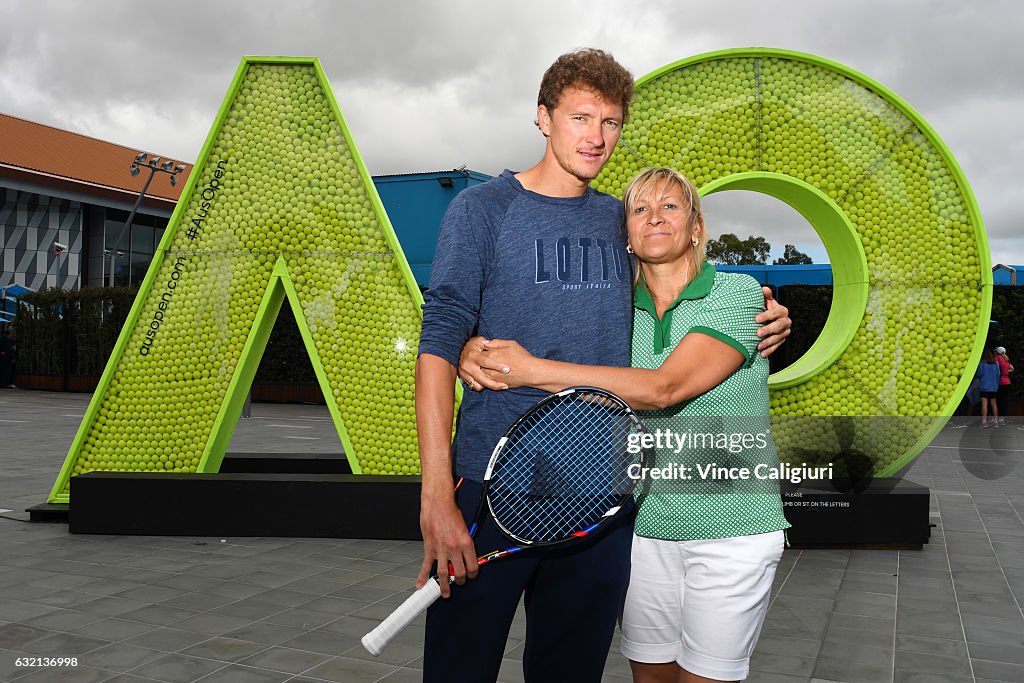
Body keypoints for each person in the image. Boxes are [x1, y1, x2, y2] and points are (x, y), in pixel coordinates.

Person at [415, 49, 791, 683]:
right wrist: (435, 495)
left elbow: (685, 287)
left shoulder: (620, 222)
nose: (595, 137)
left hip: (602, 500)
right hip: (492, 484)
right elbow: (438, 340)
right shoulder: (480, 211)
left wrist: (769, 314)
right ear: (543, 117)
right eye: (580, 117)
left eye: (610, 122)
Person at [977, 350, 1001, 427]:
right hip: (994, 387)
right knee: (994, 404)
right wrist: (996, 385)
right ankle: (996, 422)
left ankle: (984, 422)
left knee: (984, 404)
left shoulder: (982, 363)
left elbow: (979, 374)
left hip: (984, 387)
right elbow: (998, 374)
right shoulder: (996, 364)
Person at [994, 346, 1013, 426]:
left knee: (997, 401)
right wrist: (1006, 372)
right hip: (1007, 382)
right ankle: (1002, 420)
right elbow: (1012, 368)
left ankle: (995, 419)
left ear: (997, 352)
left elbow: (994, 369)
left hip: (999, 383)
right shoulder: (1006, 359)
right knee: (1004, 402)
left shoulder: (997, 358)